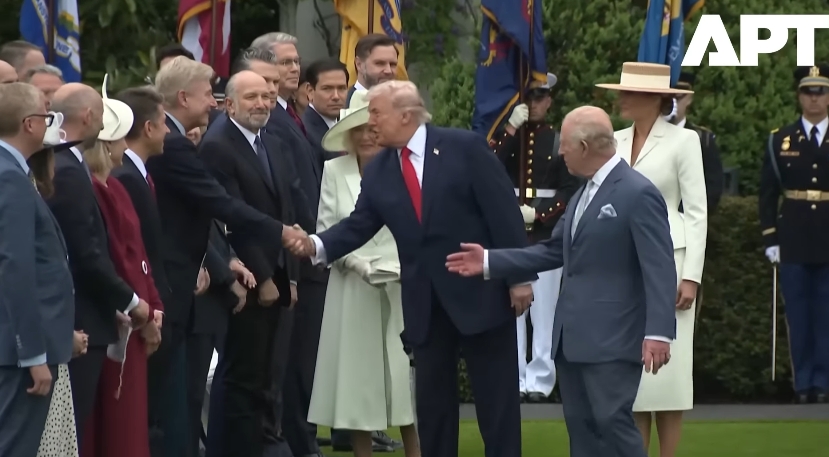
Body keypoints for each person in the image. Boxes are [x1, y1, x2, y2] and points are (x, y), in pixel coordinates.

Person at [284, 80, 535, 457]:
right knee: (433, 406)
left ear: (405, 115)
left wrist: (518, 277)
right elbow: (360, 223)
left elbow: (503, 214)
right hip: (424, 303)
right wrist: (315, 245)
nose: (369, 123)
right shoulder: (382, 167)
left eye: (375, 113)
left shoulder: (463, 148)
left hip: (481, 295)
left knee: (495, 403)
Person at [445, 105, 677, 457]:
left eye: (565, 145)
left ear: (584, 147)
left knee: (612, 424)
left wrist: (659, 333)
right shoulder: (584, 192)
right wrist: (490, 260)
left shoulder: (636, 193)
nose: (559, 152)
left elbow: (659, 267)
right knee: (582, 432)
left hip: (613, 340)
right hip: (572, 339)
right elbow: (553, 251)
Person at [148, 55, 295, 457]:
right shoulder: (179, 146)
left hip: (197, 275)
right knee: (170, 399)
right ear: (183, 97)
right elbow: (221, 204)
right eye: (207, 95)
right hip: (178, 284)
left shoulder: (264, 142)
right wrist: (281, 235)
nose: (211, 103)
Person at [597, 62, 708, 457]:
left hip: (671, 263)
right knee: (635, 376)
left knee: (669, 377)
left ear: (653, 98)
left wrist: (691, 276)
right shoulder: (615, 139)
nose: (620, 98)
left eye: (628, 92)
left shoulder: (684, 141)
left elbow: (696, 212)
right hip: (624, 266)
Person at [307, 90, 420, 457]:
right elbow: (328, 227)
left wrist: (407, 265)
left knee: (404, 377)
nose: (369, 135)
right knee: (356, 380)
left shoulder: (404, 166)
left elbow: (417, 224)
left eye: (373, 128)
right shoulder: (333, 171)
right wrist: (356, 264)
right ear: (350, 135)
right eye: (360, 130)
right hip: (353, 287)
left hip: (402, 283)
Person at [198, 70, 301, 457]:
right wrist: (264, 276)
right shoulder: (218, 145)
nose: (263, 103)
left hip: (278, 273)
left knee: (262, 377)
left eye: (267, 96)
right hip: (249, 280)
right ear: (229, 104)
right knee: (240, 378)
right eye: (252, 97)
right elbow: (234, 218)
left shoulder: (270, 141)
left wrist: (288, 276)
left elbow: (285, 209)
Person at [48, 83, 151, 446]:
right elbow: (86, 253)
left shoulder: (63, 167)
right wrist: (131, 301)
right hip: (81, 321)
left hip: (90, 314)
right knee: (69, 429)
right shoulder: (71, 172)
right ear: (89, 117)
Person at [80, 77, 163, 457]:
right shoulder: (97, 190)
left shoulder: (115, 187)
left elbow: (139, 254)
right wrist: (140, 309)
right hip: (123, 320)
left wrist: (154, 305)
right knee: (115, 421)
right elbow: (116, 255)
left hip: (138, 313)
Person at [492, 72, 582, 403]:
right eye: (530, 98)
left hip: (543, 231)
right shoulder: (509, 135)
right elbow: (489, 164)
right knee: (513, 309)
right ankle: (514, 377)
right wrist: (510, 128)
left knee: (544, 309)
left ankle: (541, 379)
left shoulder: (558, 140)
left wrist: (541, 212)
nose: (535, 104)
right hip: (510, 228)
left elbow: (570, 188)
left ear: (549, 101)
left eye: (541, 98)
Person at [0, 82, 74, 457]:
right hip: (17, 352)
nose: (50, 125)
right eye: (46, 117)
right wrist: (32, 354)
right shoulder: (8, 176)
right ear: (30, 124)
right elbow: (15, 266)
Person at [759, 65, 829, 405]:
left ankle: (825, 381)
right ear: (800, 96)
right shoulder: (780, 139)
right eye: (808, 92)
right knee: (799, 314)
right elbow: (768, 194)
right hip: (794, 237)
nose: (814, 98)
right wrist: (771, 238)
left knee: (826, 313)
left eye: (820, 92)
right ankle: (804, 383)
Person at [31, 122, 88, 457]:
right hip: (40, 348)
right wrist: (57, 335)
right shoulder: (20, 193)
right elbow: (25, 278)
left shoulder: (34, 194)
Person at [671, 72, 724, 213]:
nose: (671, 104)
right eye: (665, 98)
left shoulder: (702, 140)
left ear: (688, 98)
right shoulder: (645, 135)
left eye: (677, 97)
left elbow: (712, 189)